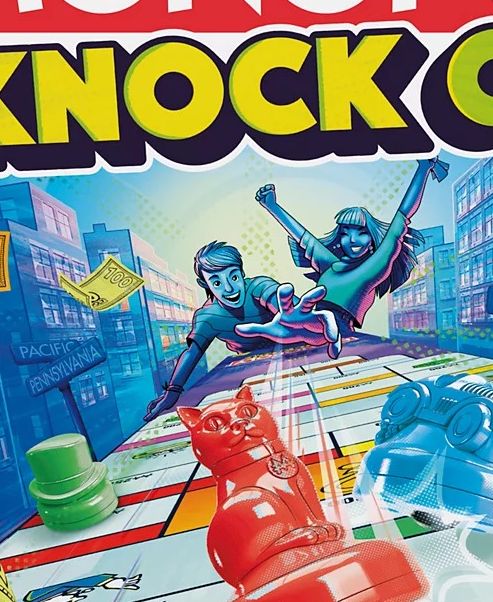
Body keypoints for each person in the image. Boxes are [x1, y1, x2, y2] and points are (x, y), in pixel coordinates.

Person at [142, 241, 340, 423]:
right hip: (256, 373)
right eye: (217, 283)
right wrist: (172, 392)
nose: (229, 288)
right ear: (204, 284)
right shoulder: (207, 317)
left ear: (242, 272)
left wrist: (301, 324)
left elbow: (286, 308)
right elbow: (192, 352)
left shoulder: (259, 287)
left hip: (301, 356)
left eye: (234, 277)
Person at [254, 157, 449, 335]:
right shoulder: (331, 266)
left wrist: (423, 169)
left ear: (372, 239)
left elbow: (402, 216)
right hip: (311, 323)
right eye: (345, 233)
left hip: (337, 328)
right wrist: (272, 206)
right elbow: (303, 237)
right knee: (273, 318)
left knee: (294, 321)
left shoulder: (373, 268)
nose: (352, 239)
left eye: (361, 232)